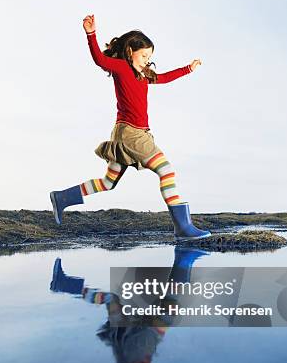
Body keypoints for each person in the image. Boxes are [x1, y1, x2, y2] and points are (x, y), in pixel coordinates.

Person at [49, 14, 211, 240]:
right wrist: (91, 34)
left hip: (127, 133)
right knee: (166, 170)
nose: (147, 59)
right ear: (130, 51)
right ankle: (183, 228)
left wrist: (188, 69)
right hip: (131, 134)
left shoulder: (144, 75)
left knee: (108, 182)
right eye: (143, 54)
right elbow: (99, 59)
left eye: (150, 56)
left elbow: (163, 78)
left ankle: (62, 198)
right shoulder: (121, 68)